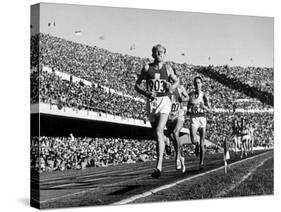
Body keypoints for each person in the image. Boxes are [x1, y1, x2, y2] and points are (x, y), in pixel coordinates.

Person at [135, 44, 179, 178]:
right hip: (151, 103)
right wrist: (146, 93)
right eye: (157, 52)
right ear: (153, 54)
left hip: (164, 101)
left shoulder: (168, 68)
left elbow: (177, 81)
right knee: (157, 133)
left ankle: (158, 167)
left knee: (159, 130)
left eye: (162, 52)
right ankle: (166, 140)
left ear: (165, 55)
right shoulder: (147, 68)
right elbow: (136, 86)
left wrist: (171, 87)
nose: (159, 54)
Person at [187, 76, 212, 169]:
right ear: (194, 84)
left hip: (202, 118)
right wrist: (188, 110)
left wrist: (204, 107)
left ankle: (201, 163)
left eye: (199, 83)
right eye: (196, 83)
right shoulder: (191, 95)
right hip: (194, 118)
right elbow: (188, 108)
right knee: (193, 139)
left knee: (202, 142)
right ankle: (196, 145)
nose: (197, 84)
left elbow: (211, 111)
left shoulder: (204, 95)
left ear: (201, 84)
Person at [166, 81, 189, 173]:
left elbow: (187, 97)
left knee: (176, 132)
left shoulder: (180, 87)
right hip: (169, 116)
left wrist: (182, 99)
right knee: (173, 138)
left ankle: (177, 158)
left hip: (179, 114)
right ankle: (181, 157)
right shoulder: (166, 86)